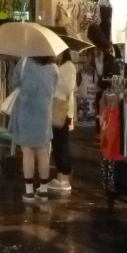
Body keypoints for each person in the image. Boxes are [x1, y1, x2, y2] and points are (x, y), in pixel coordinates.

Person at [8, 54, 59, 201]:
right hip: (44, 114)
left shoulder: (24, 63)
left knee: (28, 152)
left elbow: (13, 84)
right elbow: (54, 89)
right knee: (43, 152)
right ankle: (43, 190)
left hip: (26, 113)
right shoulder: (54, 67)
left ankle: (29, 191)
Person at [46, 49, 77, 194]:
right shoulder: (59, 66)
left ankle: (65, 177)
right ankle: (60, 175)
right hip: (56, 109)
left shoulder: (69, 66)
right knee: (57, 143)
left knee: (62, 143)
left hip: (63, 111)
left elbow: (66, 88)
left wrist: (54, 78)